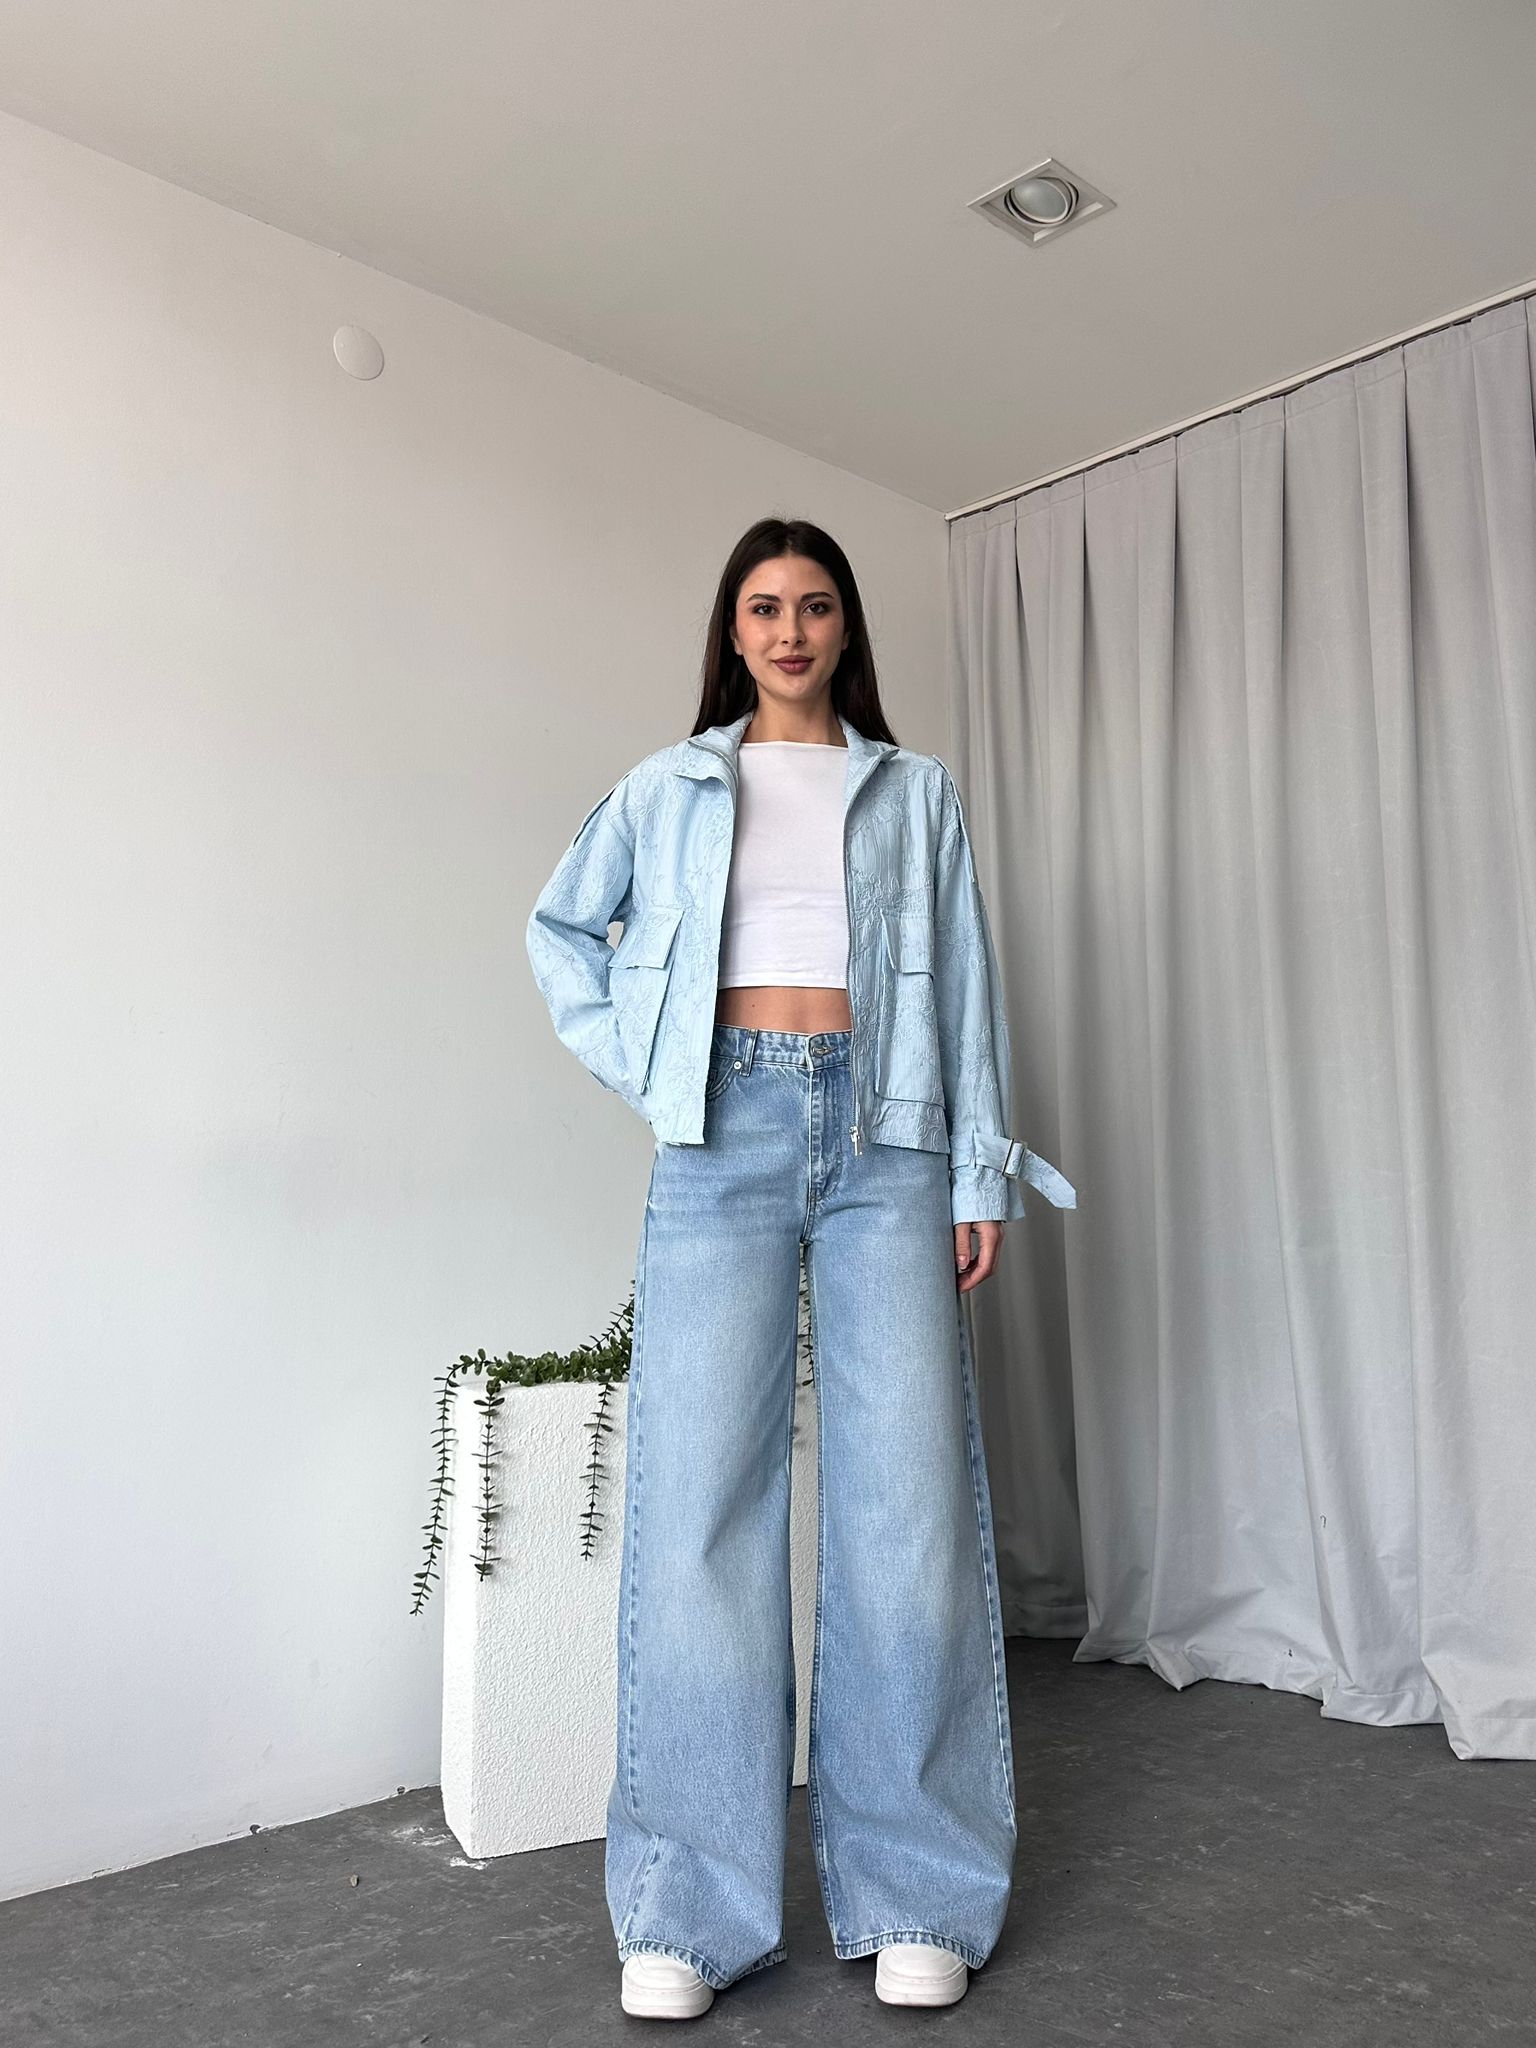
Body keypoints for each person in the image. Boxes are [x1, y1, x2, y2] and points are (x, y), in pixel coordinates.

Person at [526, 516, 1075, 2020]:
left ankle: (920, 1892)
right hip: (721, 1136)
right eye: (764, 606)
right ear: (734, 627)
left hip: (891, 1137)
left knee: (906, 1508)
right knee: (702, 1507)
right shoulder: (669, 786)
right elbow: (562, 930)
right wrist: (657, 1065)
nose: (789, 629)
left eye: (815, 605)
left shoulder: (914, 790)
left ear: (845, 628)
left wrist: (974, 1170)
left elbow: (966, 986)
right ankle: (685, 1914)